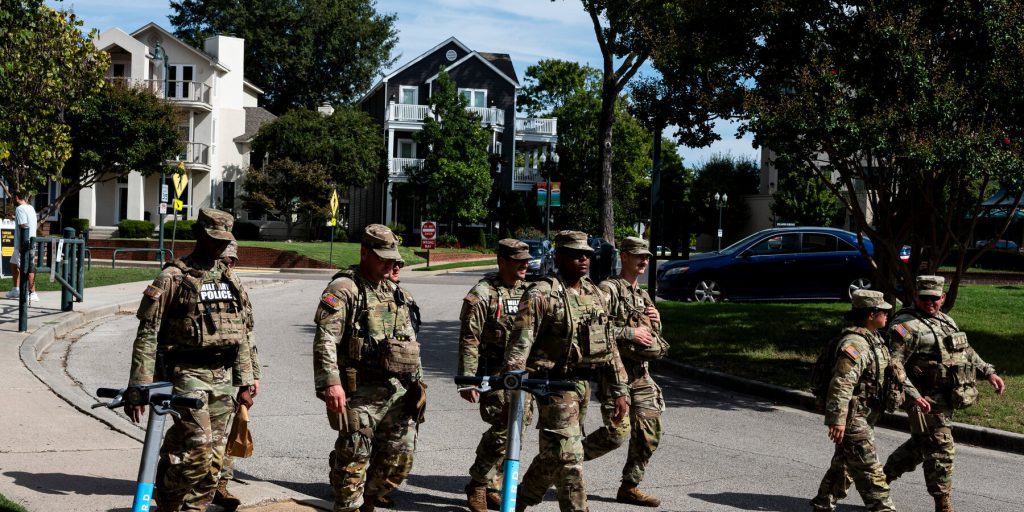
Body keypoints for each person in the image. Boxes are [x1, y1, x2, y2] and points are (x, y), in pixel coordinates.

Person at [125, 208, 256, 511]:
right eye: (214, 239)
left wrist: (246, 379)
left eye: (225, 240)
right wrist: (139, 386)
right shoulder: (174, 277)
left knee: (215, 463)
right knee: (198, 452)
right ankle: (168, 498)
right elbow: (147, 333)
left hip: (222, 375)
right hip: (187, 373)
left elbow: (243, 332)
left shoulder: (230, 278)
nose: (220, 246)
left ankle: (193, 507)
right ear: (198, 234)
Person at [503, 230, 630, 512]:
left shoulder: (596, 293)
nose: (582, 259)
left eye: (586, 254)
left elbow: (609, 345)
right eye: (574, 254)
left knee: (556, 453)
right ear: (559, 256)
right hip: (551, 385)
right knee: (570, 456)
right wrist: (513, 383)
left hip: (583, 386)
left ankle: (520, 498)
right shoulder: (541, 293)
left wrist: (619, 390)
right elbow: (520, 343)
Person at [313, 224, 425, 512]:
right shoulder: (345, 289)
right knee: (354, 459)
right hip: (359, 390)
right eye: (381, 257)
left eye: (392, 258)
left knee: (400, 457)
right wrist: (331, 382)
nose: (389, 264)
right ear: (364, 252)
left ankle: (369, 495)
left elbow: (409, 341)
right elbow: (325, 339)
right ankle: (349, 501)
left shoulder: (397, 292)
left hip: (396, 390)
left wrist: (419, 385)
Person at [882, 276, 1006, 512]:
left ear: (943, 297)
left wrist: (989, 372)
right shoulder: (904, 325)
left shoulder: (946, 321)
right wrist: (913, 395)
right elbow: (893, 364)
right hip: (923, 398)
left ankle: (881, 478)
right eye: (924, 298)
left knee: (922, 444)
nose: (930, 302)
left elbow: (965, 350)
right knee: (941, 447)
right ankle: (943, 504)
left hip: (947, 395)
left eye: (935, 298)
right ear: (916, 297)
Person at [811, 289, 928, 512]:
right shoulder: (855, 345)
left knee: (844, 464)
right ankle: (883, 508)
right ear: (870, 314)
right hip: (853, 416)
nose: (887, 313)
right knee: (869, 468)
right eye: (883, 310)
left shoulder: (874, 339)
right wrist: (837, 420)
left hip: (866, 414)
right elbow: (842, 383)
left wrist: (915, 396)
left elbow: (895, 370)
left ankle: (823, 503)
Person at [582, 236, 669, 507]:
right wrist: (630, 331)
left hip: (641, 375)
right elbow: (592, 329)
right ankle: (564, 460)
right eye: (639, 255)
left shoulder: (641, 295)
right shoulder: (608, 289)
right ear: (625, 256)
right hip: (615, 374)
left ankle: (629, 485)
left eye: (647, 257)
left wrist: (657, 322)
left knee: (650, 431)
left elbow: (652, 337)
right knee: (616, 434)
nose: (644, 261)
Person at [459, 239, 534, 512]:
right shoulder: (483, 293)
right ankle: (478, 483)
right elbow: (470, 338)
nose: (525, 264)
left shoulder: (530, 291)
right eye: (518, 260)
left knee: (518, 432)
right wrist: (468, 379)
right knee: (502, 430)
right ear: (502, 261)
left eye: (527, 260)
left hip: (524, 377)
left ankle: (493, 485)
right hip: (495, 376)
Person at [213, 241, 261, 511]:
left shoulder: (236, 288)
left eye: (233, 262)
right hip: (194, 371)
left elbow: (247, 334)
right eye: (226, 261)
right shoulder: (189, 280)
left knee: (231, 429)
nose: (230, 266)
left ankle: (221, 483)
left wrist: (251, 375)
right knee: (197, 433)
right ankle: (176, 481)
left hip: (231, 368)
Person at [7, 190, 39, 302]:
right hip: (27, 242)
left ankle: (33, 293)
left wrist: (22, 245)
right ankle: (16, 289)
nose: (11, 200)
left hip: (24, 244)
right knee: (13, 264)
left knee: (27, 267)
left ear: (16, 197)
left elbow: (23, 225)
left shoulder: (19, 209)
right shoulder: (30, 208)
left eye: (12, 198)